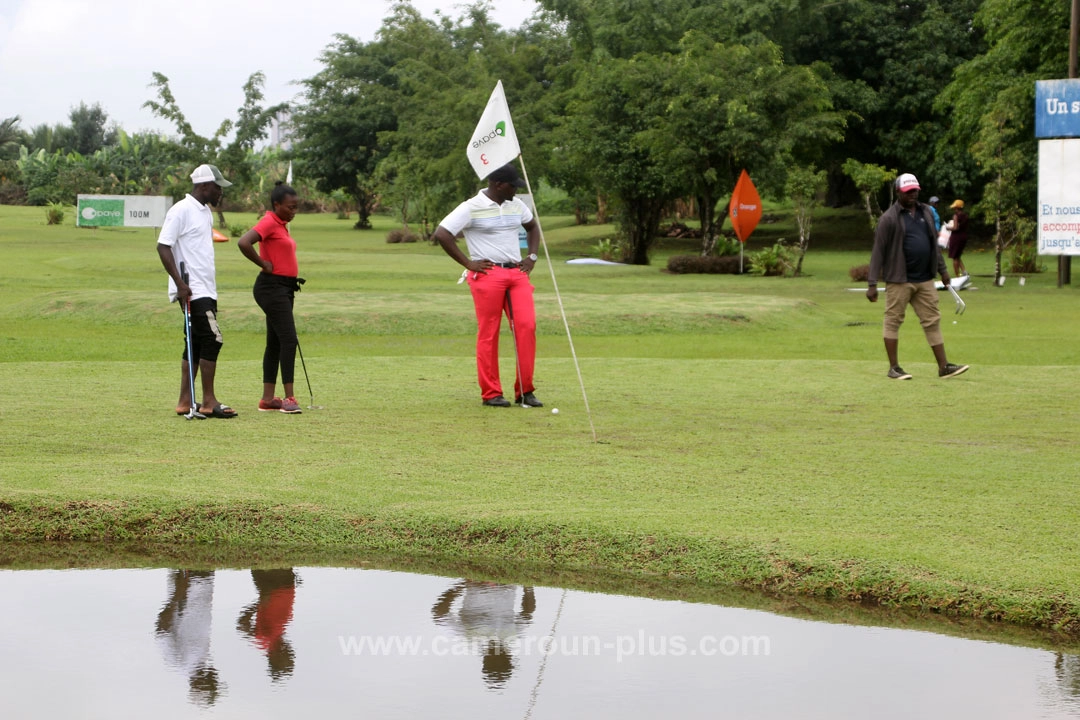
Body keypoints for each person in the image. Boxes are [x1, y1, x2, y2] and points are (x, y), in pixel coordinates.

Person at [432, 163, 543, 407]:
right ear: (498, 184)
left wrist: (532, 257)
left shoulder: (516, 204)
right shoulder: (471, 206)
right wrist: (468, 263)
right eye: (513, 185)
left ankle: (525, 391)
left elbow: (532, 227)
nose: (516, 190)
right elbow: (442, 233)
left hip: (516, 272)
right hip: (488, 273)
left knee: (526, 326)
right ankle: (491, 393)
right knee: (489, 333)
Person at [866, 173, 969, 380]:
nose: (912, 194)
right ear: (898, 192)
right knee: (893, 321)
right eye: (908, 191)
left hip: (925, 279)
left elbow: (934, 245)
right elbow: (878, 251)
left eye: (915, 190)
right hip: (899, 280)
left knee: (932, 320)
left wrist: (944, 271)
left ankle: (943, 367)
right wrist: (872, 283)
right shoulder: (889, 218)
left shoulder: (927, 212)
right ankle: (894, 368)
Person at [156, 163, 237, 418]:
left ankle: (184, 400)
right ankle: (208, 401)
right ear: (204, 186)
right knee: (213, 339)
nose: (220, 192)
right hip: (192, 289)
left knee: (195, 344)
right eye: (217, 187)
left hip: (206, 288)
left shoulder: (204, 212)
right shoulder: (181, 210)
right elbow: (163, 246)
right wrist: (180, 285)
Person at [238, 183, 304, 414]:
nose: (293, 212)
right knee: (288, 339)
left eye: (296, 208)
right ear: (277, 205)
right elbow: (244, 242)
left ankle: (268, 399)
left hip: (284, 288)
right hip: (271, 287)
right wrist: (263, 263)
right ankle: (289, 398)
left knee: (276, 341)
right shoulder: (269, 222)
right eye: (290, 207)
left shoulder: (282, 224)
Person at [947, 199, 969, 277]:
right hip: (964, 237)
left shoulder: (956, 216)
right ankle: (964, 272)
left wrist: (948, 228)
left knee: (955, 257)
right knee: (958, 255)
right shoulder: (965, 215)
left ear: (956, 208)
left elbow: (955, 228)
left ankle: (957, 276)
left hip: (956, 237)